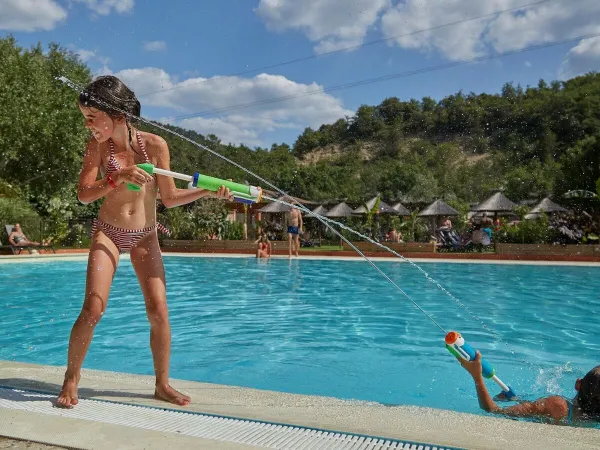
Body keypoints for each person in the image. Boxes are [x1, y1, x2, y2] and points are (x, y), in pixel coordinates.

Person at [57, 75, 232, 408]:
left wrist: (208, 189)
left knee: (158, 310)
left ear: (118, 114)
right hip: (108, 231)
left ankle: (162, 384)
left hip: (145, 236)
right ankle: (71, 376)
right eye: (85, 118)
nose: (88, 125)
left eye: (92, 117)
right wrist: (115, 177)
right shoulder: (97, 147)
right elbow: (83, 195)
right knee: (94, 307)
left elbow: (170, 197)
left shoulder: (154, 145)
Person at [460, 351, 600, 425]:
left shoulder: (558, 405)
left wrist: (477, 377)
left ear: (578, 384)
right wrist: (518, 400)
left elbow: (493, 411)